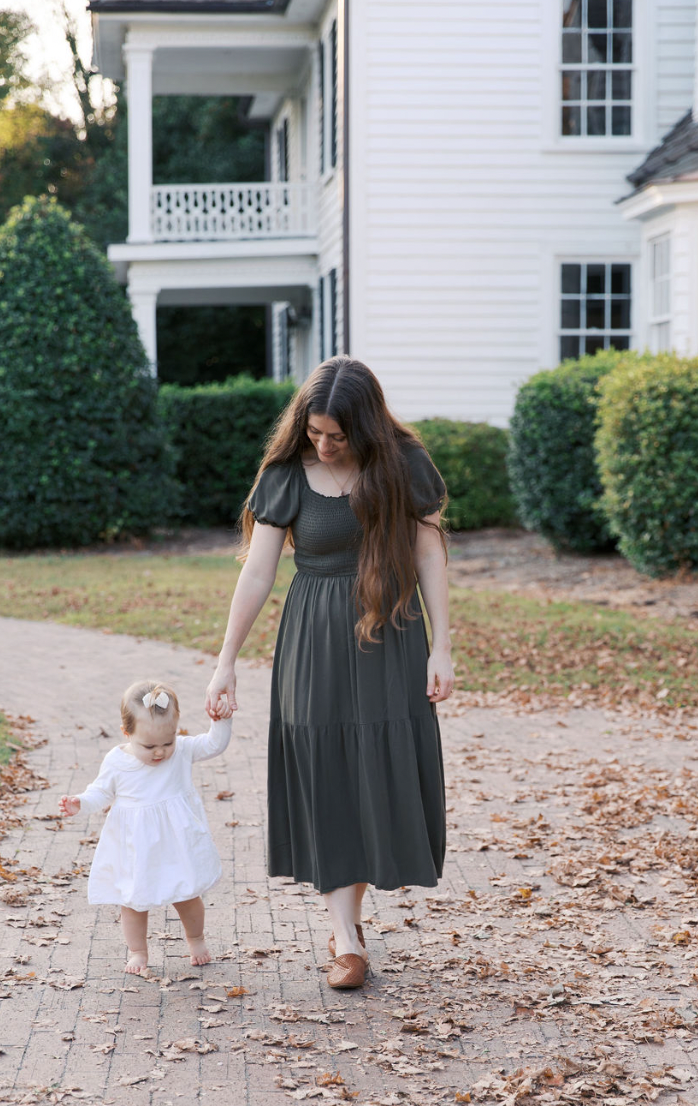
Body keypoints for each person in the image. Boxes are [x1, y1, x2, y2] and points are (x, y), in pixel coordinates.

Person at [205, 355, 454, 990]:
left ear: (364, 426)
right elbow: (258, 571)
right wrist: (225, 661)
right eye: (315, 431)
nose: (324, 444)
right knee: (325, 771)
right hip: (312, 640)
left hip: (389, 633)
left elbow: (428, 550)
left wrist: (443, 646)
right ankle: (345, 935)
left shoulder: (401, 464)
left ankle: (354, 918)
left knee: (374, 765)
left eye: (337, 436)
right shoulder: (288, 475)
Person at [59, 679, 232, 975]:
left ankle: (196, 939)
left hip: (176, 842)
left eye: (168, 741)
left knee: (187, 895)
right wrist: (81, 803)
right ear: (127, 733)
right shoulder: (117, 761)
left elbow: (214, 744)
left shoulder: (182, 751)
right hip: (135, 846)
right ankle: (138, 951)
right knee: (133, 900)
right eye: (149, 745)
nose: (160, 752)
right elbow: (101, 791)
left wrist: (221, 722)